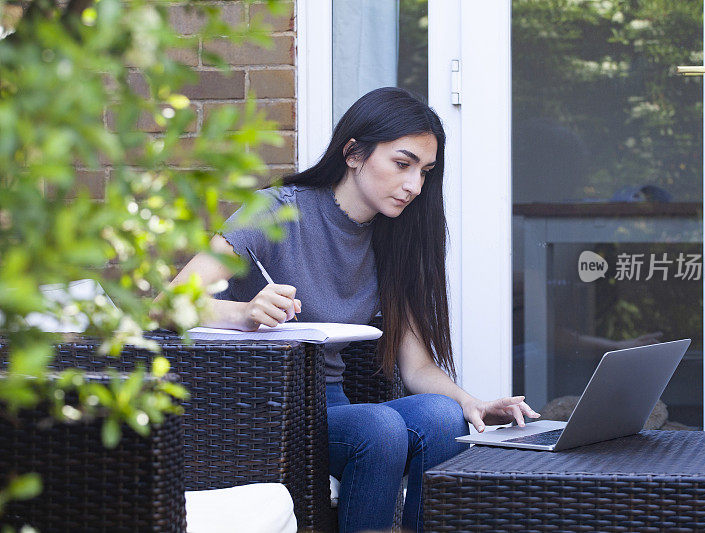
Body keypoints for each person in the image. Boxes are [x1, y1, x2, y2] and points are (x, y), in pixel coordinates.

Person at [162, 87, 540, 532]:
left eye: (425, 171)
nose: (414, 186)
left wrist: (472, 403)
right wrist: (242, 313)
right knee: (378, 427)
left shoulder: (397, 238)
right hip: (259, 407)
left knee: (442, 416)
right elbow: (165, 305)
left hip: (333, 406)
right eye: (403, 164)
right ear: (354, 153)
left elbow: (417, 366)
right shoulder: (278, 212)